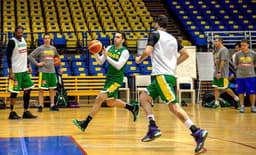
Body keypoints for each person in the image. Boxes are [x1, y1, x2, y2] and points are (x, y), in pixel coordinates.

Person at [135, 15, 207, 153]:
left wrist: (139, 59)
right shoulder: (173, 38)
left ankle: (197, 131)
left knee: (174, 107)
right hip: (163, 76)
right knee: (143, 98)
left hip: (162, 77)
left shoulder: (155, 34)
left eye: (154, 22)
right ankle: (152, 127)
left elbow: (147, 51)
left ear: (156, 23)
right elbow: (185, 54)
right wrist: (174, 65)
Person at [72, 32, 139, 132]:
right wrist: (95, 52)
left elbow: (118, 66)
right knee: (111, 102)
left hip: (116, 80)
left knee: (99, 98)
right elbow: (100, 62)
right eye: (115, 37)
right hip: (109, 78)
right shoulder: (109, 48)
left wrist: (107, 57)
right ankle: (132, 107)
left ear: (123, 40)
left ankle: (85, 123)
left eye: (118, 37)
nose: (115, 38)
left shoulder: (125, 52)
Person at [7, 26, 37, 119]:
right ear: (15, 32)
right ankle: (12, 112)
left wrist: (29, 65)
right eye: (18, 32)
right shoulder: (12, 41)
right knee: (14, 92)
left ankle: (26, 111)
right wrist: (11, 72)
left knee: (28, 89)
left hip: (24, 70)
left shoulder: (24, 40)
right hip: (16, 71)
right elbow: (8, 57)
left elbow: (25, 54)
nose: (20, 34)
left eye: (21, 32)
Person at [29, 33, 61, 112]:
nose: (47, 39)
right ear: (43, 40)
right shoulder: (40, 48)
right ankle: (40, 106)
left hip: (52, 71)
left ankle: (52, 105)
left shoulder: (53, 49)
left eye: (48, 38)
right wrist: (37, 63)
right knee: (41, 90)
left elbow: (57, 57)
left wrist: (60, 67)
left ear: (50, 40)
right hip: (43, 72)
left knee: (52, 89)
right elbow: (30, 56)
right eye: (45, 38)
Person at [213, 38, 239, 108]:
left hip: (222, 72)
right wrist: (215, 65)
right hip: (216, 72)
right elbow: (216, 60)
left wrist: (219, 72)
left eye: (216, 41)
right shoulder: (216, 50)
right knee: (216, 88)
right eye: (214, 41)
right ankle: (216, 103)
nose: (214, 43)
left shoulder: (224, 50)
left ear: (220, 41)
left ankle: (237, 99)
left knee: (225, 88)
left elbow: (223, 61)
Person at [234, 40, 256, 113]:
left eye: (244, 45)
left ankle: (252, 106)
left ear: (248, 45)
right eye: (241, 45)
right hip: (240, 76)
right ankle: (242, 106)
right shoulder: (237, 54)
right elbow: (236, 64)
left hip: (250, 76)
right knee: (240, 92)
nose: (242, 47)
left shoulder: (253, 53)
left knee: (252, 92)